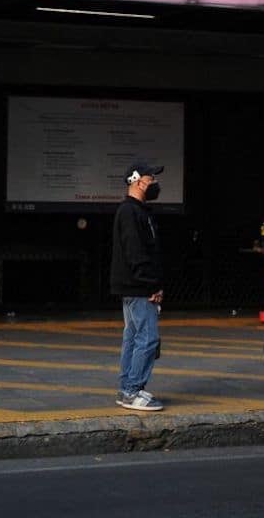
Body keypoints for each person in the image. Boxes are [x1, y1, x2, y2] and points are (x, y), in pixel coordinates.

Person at [110, 162, 165, 411]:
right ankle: (133, 391)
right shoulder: (130, 212)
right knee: (148, 339)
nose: (153, 182)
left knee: (132, 338)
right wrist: (151, 284)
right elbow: (135, 252)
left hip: (133, 286)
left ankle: (127, 389)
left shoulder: (137, 211)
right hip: (138, 286)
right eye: (149, 177)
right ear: (135, 180)